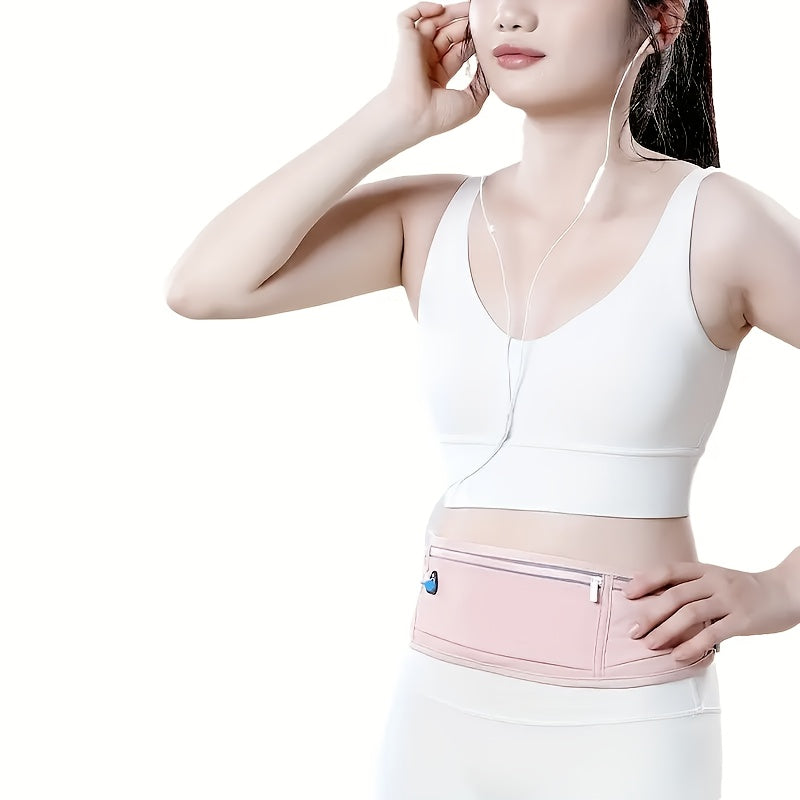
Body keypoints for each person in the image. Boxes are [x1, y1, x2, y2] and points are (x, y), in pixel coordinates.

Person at [164, 1, 800, 797]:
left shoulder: (718, 223)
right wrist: (394, 117)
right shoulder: (431, 219)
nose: (512, 14)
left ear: (661, 17)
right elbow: (203, 287)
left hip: (630, 716)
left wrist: (782, 589)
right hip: (438, 707)